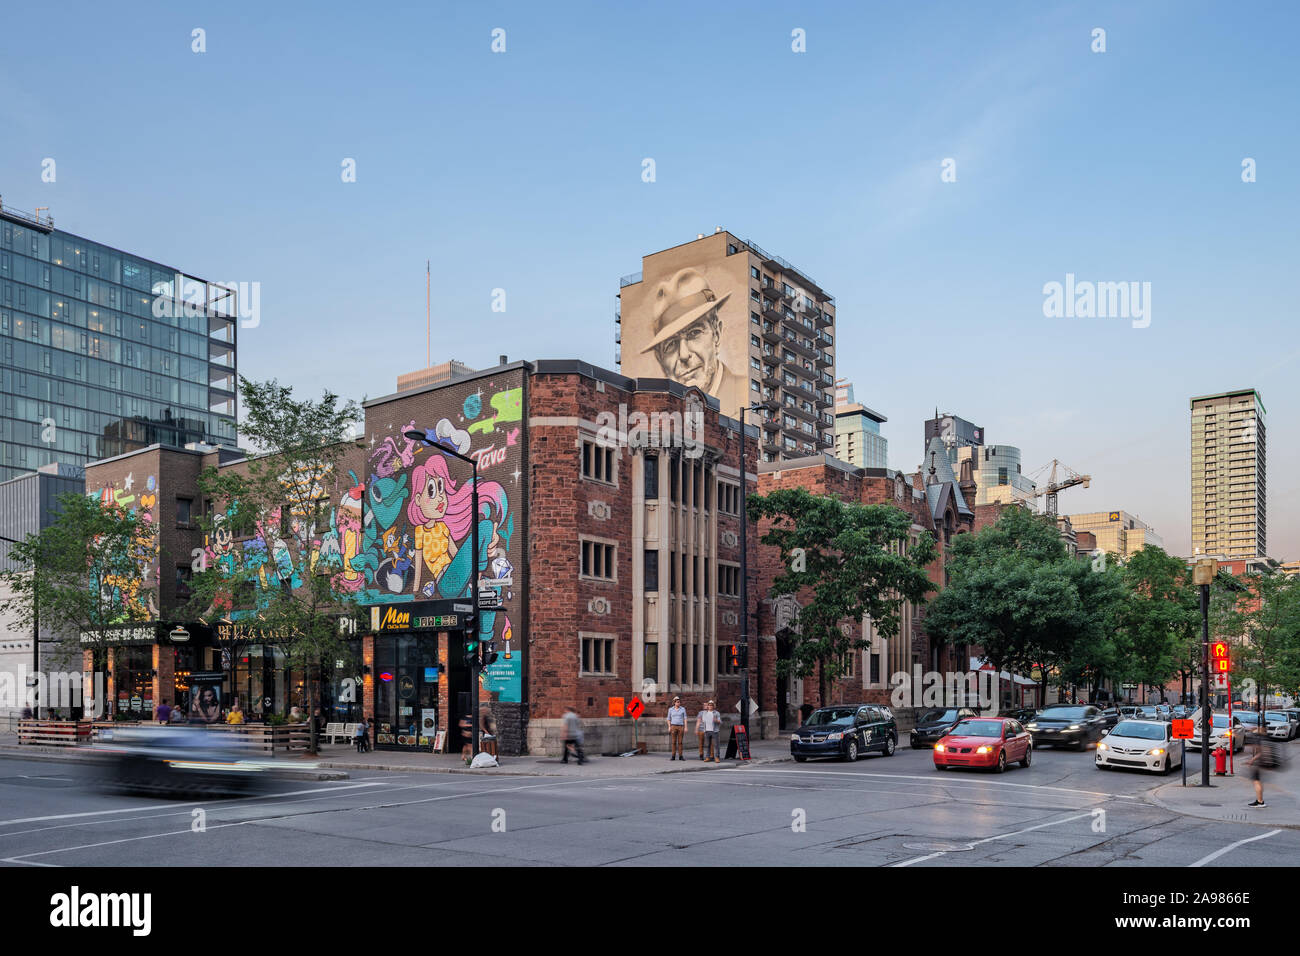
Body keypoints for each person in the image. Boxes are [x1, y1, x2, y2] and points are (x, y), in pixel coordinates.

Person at [640, 268, 746, 400]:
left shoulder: (745, 396)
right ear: (660, 359)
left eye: (694, 333)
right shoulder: (658, 415)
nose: (684, 355)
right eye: (671, 344)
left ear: (717, 335)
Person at [1247, 726, 1281, 808]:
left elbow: (1260, 752)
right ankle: (1259, 800)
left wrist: (1252, 760)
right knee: (1258, 782)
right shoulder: (1266, 738)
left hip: (1260, 763)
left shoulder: (1260, 739)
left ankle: (1260, 801)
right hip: (1263, 763)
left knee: (1256, 782)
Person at [667, 696, 687, 760]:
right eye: (677, 702)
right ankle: (673, 756)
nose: (679, 703)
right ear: (674, 703)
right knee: (673, 742)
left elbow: (685, 718)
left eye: (679, 702)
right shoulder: (670, 709)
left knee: (680, 742)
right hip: (673, 726)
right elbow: (668, 719)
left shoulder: (683, 709)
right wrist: (669, 727)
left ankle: (681, 756)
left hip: (680, 726)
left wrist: (685, 727)